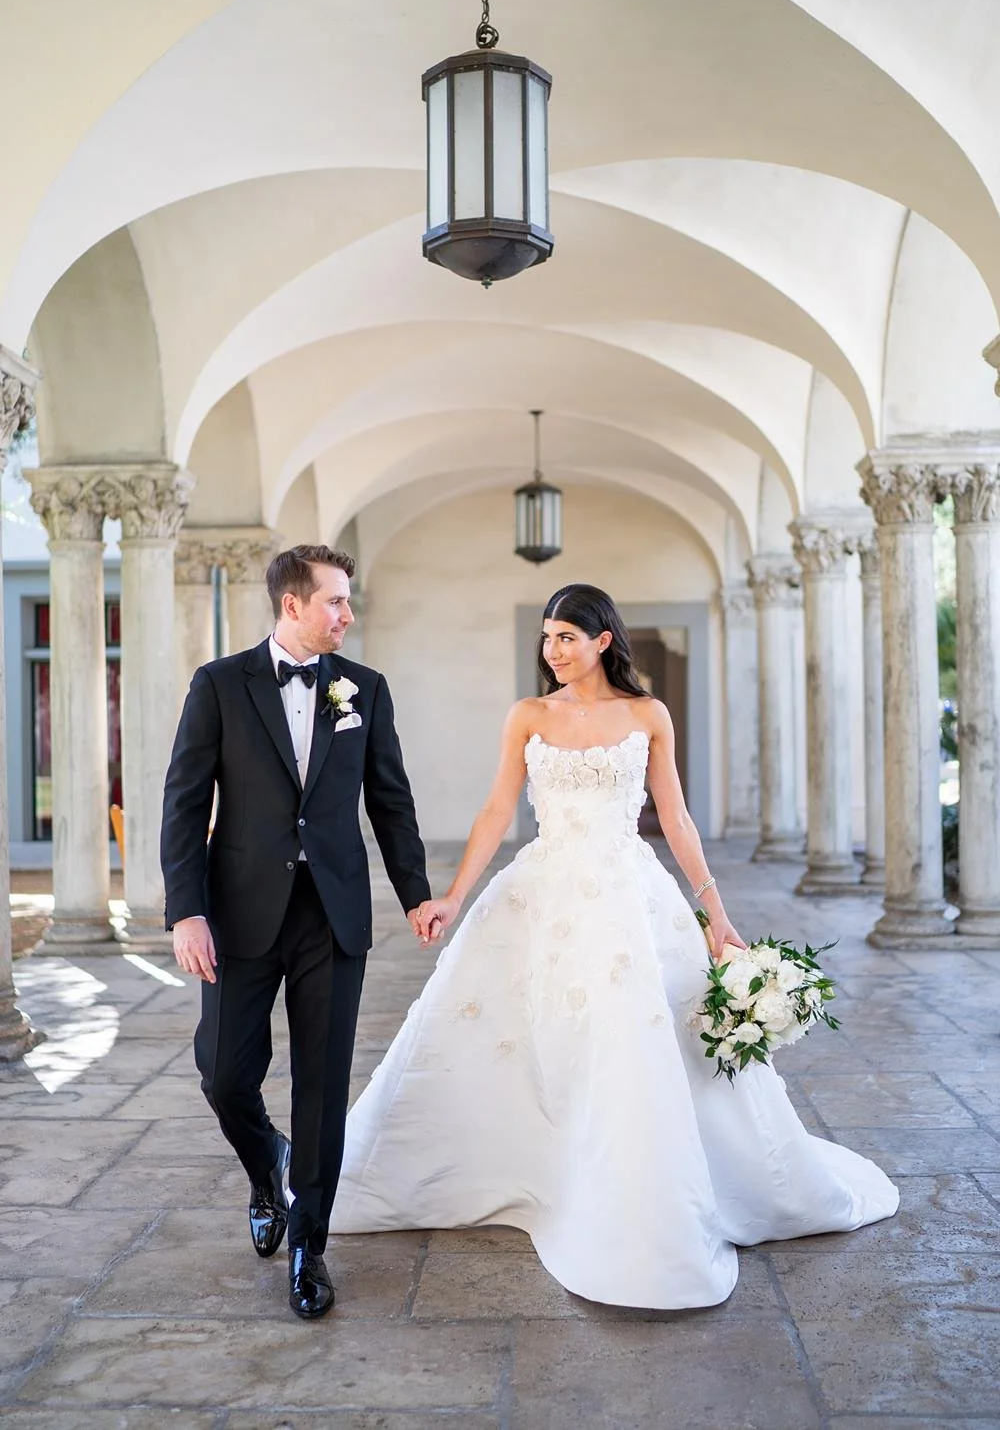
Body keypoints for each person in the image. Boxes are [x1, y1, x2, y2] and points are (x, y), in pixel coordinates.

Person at [330, 583, 898, 1309]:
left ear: (603, 640)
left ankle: (633, 1196)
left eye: (567, 636)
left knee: (635, 1042)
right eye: (546, 638)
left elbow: (678, 819)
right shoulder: (528, 716)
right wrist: (453, 896)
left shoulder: (647, 714)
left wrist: (714, 914)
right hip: (543, 889)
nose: (553, 651)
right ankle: (528, 1169)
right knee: (517, 1036)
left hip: (630, 895)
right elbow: (497, 808)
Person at [161, 545, 429, 1320]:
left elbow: (391, 802)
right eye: (336, 601)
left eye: (348, 602)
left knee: (322, 1088)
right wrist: (187, 911)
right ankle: (265, 1163)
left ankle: (310, 1244)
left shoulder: (365, 691)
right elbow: (183, 803)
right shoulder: (218, 685)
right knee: (222, 1074)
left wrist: (414, 893)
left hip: (332, 912)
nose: (348, 614)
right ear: (292, 605)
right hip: (240, 911)